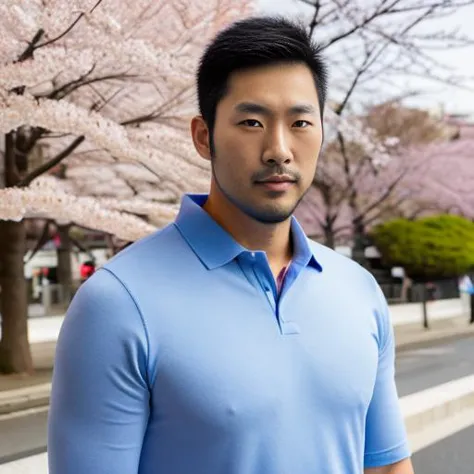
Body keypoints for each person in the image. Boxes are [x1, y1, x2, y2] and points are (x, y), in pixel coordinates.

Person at [48, 16, 413, 474]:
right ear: (204, 137)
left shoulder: (359, 291)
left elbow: (386, 467)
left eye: (300, 121)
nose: (278, 149)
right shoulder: (116, 304)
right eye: (252, 121)